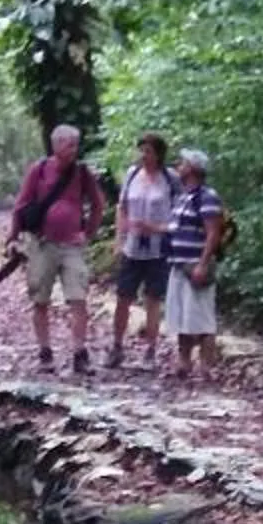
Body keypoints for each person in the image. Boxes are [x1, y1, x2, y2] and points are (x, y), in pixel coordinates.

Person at [6, 123, 106, 373]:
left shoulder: (82, 173)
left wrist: (88, 233)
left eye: (76, 144)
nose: (75, 149)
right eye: (70, 144)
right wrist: (12, 238)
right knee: (40, 299)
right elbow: (21, 205)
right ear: (57, 145)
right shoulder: (39, 170)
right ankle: (45, 352)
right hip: (42, 244)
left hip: (72, 245)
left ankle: (79, 353)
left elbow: (97, 204)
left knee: (78, 299)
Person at [107, 133, 176, 368]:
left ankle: (150, 351)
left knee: (152, 300)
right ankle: (116, 347)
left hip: (158, 249)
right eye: (141, 151)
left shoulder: (170, 179)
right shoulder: (132, 174)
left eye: (148, 151)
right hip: (132, 247)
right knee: (123, 297)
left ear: (158, 154)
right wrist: (119, 238)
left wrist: (156, 228)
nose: (143, 156)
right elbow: (122, 207)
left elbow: (179, 217)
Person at [162, 147, 227, 379]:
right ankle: (183, 362)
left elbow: (213, 233)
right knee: (181, 317)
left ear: (192, 168)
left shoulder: (207, 197)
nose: (178, 166)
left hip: (196, 266)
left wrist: (203, 263)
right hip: (178, 265)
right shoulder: (182, 197)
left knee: (202, 318)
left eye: (182, 163)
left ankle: (207, 366)